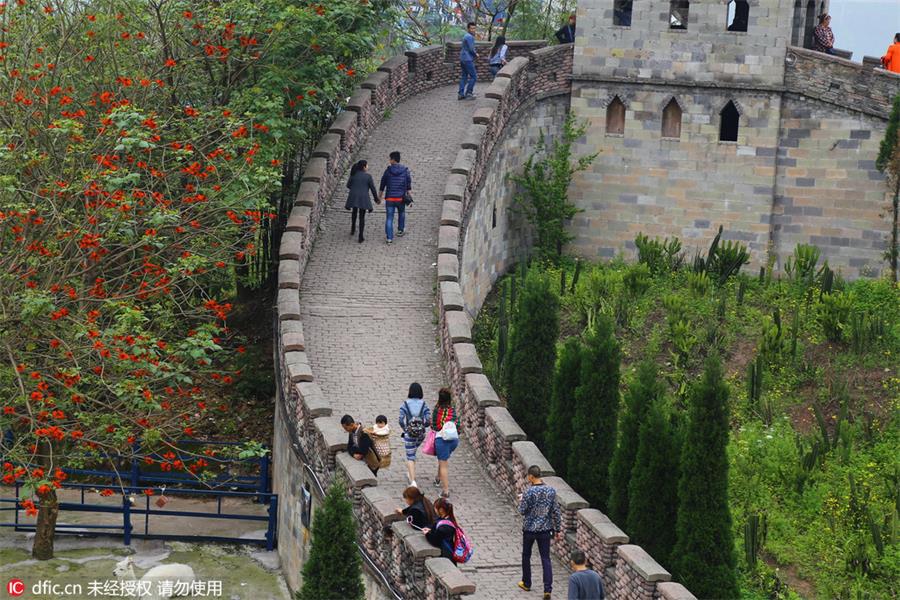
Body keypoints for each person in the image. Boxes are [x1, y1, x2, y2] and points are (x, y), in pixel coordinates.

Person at [517, 465, 562, 600]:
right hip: (545, 530)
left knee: (526, 555)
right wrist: (558, 529)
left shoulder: (528, 492)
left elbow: (522, 511)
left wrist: (521, 500)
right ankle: (547, 589)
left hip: (530, 530)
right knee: (545, 559)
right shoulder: (551, 491)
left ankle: (527, 582)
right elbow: (556, 512)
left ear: (531, 476)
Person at [399, 382, 431, 488]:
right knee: (413, 451)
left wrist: (405, 429)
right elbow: (428, 420)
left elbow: (400, 420)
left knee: (410, 457)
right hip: (420, 435)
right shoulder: (424, 404)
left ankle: (413, 481)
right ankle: (410, 473)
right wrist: (423, 426)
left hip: (410, 434)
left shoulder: (405, 404)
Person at [431, 388, 460, 499]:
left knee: (443, 464)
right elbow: (458, 424)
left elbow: (434, 426)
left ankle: (446, 491)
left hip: (442, 440)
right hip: (454, 440)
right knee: (443, 459)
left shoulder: (437, 410)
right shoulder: (452, 410)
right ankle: (438, 478)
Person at [378, 151, 412, 244]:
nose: (389, 160)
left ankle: (389, 238)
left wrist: (379, 197)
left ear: (393, 160)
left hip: (390, 199)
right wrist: (410, 197)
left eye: (390, 159)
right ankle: (400, 230)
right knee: (401, 213)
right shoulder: (405, 171)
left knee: (389, 218)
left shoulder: (388, 171)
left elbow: (382, 185)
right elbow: (408, 185)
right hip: (400, 198)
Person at [344, 159, 380, 243]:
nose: (368, 167)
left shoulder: (353, 175)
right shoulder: (368, 176)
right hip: (363, 198)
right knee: (362, 217)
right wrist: (376, 199)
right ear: (364, 167)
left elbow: (348, 185)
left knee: (354, 212)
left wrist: (355, 189)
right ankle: (360, 236)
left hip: (354, 196)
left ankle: (353, 228)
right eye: (367, 165)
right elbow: (373, 189)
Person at [458, 22, 478, 101]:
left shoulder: (466, 36)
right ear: (468, 29)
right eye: (471, 28)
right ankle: (469, 93)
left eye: (474, 28)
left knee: (464, 76)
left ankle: (461, 94)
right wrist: (476, 54)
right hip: (467, 59)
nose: (473, 30)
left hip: (462, 58)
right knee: (474, 76)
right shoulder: (470, 37)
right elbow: (471, 49)